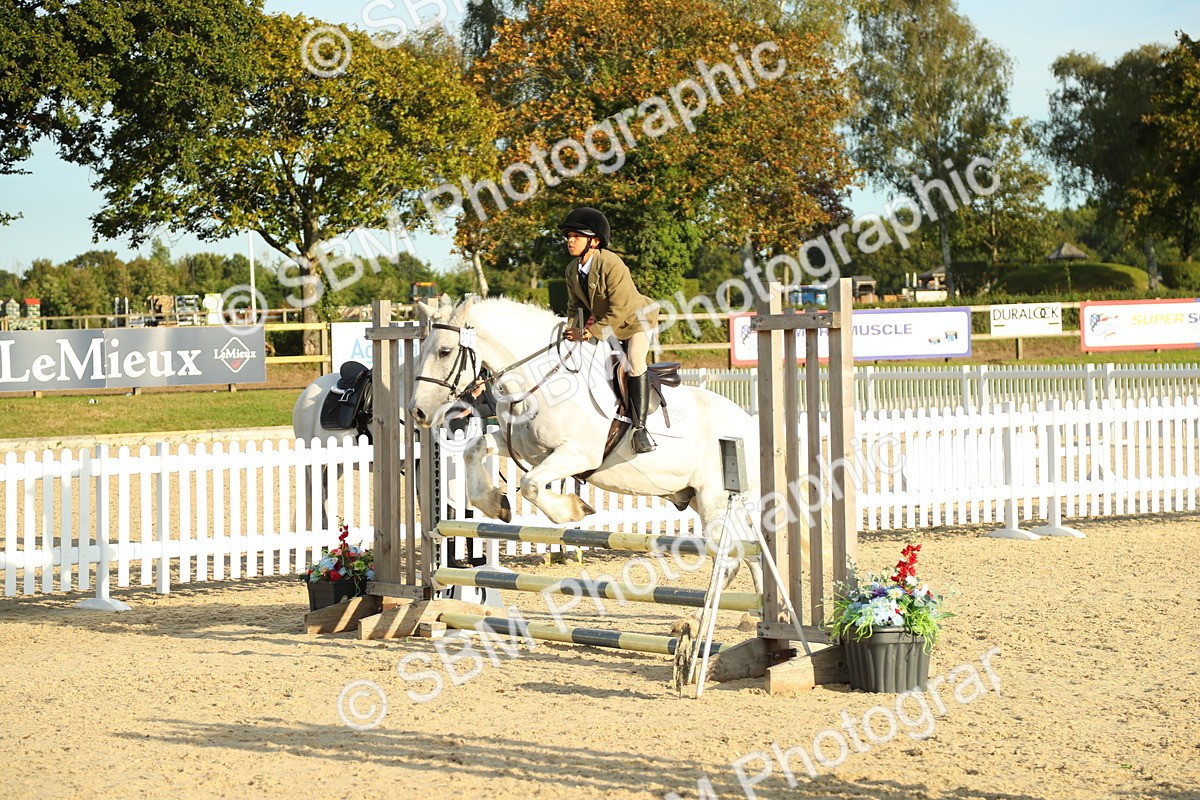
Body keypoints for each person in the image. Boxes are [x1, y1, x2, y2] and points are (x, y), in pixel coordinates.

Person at [559, 207, 660, 453]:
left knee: (634, 362)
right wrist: (570, 331)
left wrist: (591, 333)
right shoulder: (572, 270)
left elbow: (621, 309)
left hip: (636, 321)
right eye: (568, 236)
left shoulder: (612, 263)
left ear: (594, 241)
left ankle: (640, 429)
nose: (570, 240)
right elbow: (576, 306)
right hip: (608, 324)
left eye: (576, 236)